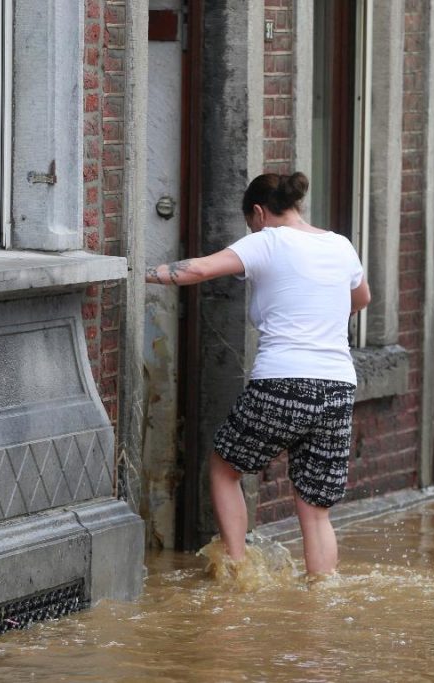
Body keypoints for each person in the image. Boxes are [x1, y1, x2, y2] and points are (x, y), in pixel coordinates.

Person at [145, 172, 371, 577]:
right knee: (315, 509)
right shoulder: (341, 245)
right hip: (338, 388)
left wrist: (141, 273)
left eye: (251, 222)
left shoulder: (267, 239)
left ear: (258, 212)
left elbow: (198, 270)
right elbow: (362, 298)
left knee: (223, 466)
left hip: (283, 382)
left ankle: (237, 569)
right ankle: (324, 594)